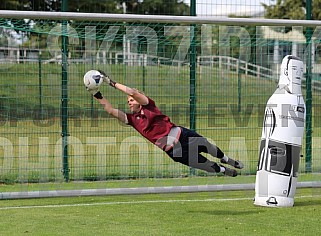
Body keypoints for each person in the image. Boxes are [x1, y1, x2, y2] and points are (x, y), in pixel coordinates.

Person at [85, 70, 244, 177]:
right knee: (208, 166)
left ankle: (226, 159)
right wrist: (96, 94)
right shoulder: (132, 120)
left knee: (209, 147)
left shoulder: (149, 105)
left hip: (182, 135)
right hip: (174, 150)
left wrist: (110, 82)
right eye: (128, 101)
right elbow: (111, 110)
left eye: (132, 100)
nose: (129, 102)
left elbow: (132, 92)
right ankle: (223, 170)